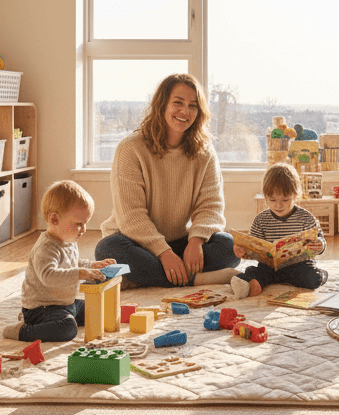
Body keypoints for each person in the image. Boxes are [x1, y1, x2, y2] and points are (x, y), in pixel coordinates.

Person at [94, 73, 241, 288]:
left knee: (230, 246)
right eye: (178, 103)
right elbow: (131, 216)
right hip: (136, 241)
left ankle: (148, 277)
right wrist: (164, 253)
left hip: (179, 241)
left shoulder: (205, 153)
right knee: (107, 248)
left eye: (193, 106)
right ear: (162, 104)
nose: (185, 112)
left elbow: (211, 206)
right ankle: (195, 279)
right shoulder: (130, 148)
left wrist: (196, 241)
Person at [3, 180, 112, 343]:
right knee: (67, 328)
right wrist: (80, 273)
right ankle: (22, 332)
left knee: (99, 309)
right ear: (54, 219)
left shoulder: (69, 239)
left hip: (65, 303)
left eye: (86, 223)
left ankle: (64, 318)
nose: (84, 229)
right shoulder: (46, 247)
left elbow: (70, 263)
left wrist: (90, 265)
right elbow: (49, 276)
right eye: (79, 224)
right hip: (42, 309)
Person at [229, 162, 328, 299]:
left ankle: (323, 275)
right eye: (272, 200)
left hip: (298, 266)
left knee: (312, 277)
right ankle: (250, 284)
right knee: (253, 272)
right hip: (270, 268)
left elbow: (320, 240)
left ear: (295, 195)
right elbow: (252, 244)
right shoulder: (261, 219)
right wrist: (242, 250)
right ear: (265, 197)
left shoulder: (305, 217)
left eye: (285, 200)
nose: (279, 205)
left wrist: (319, 245)